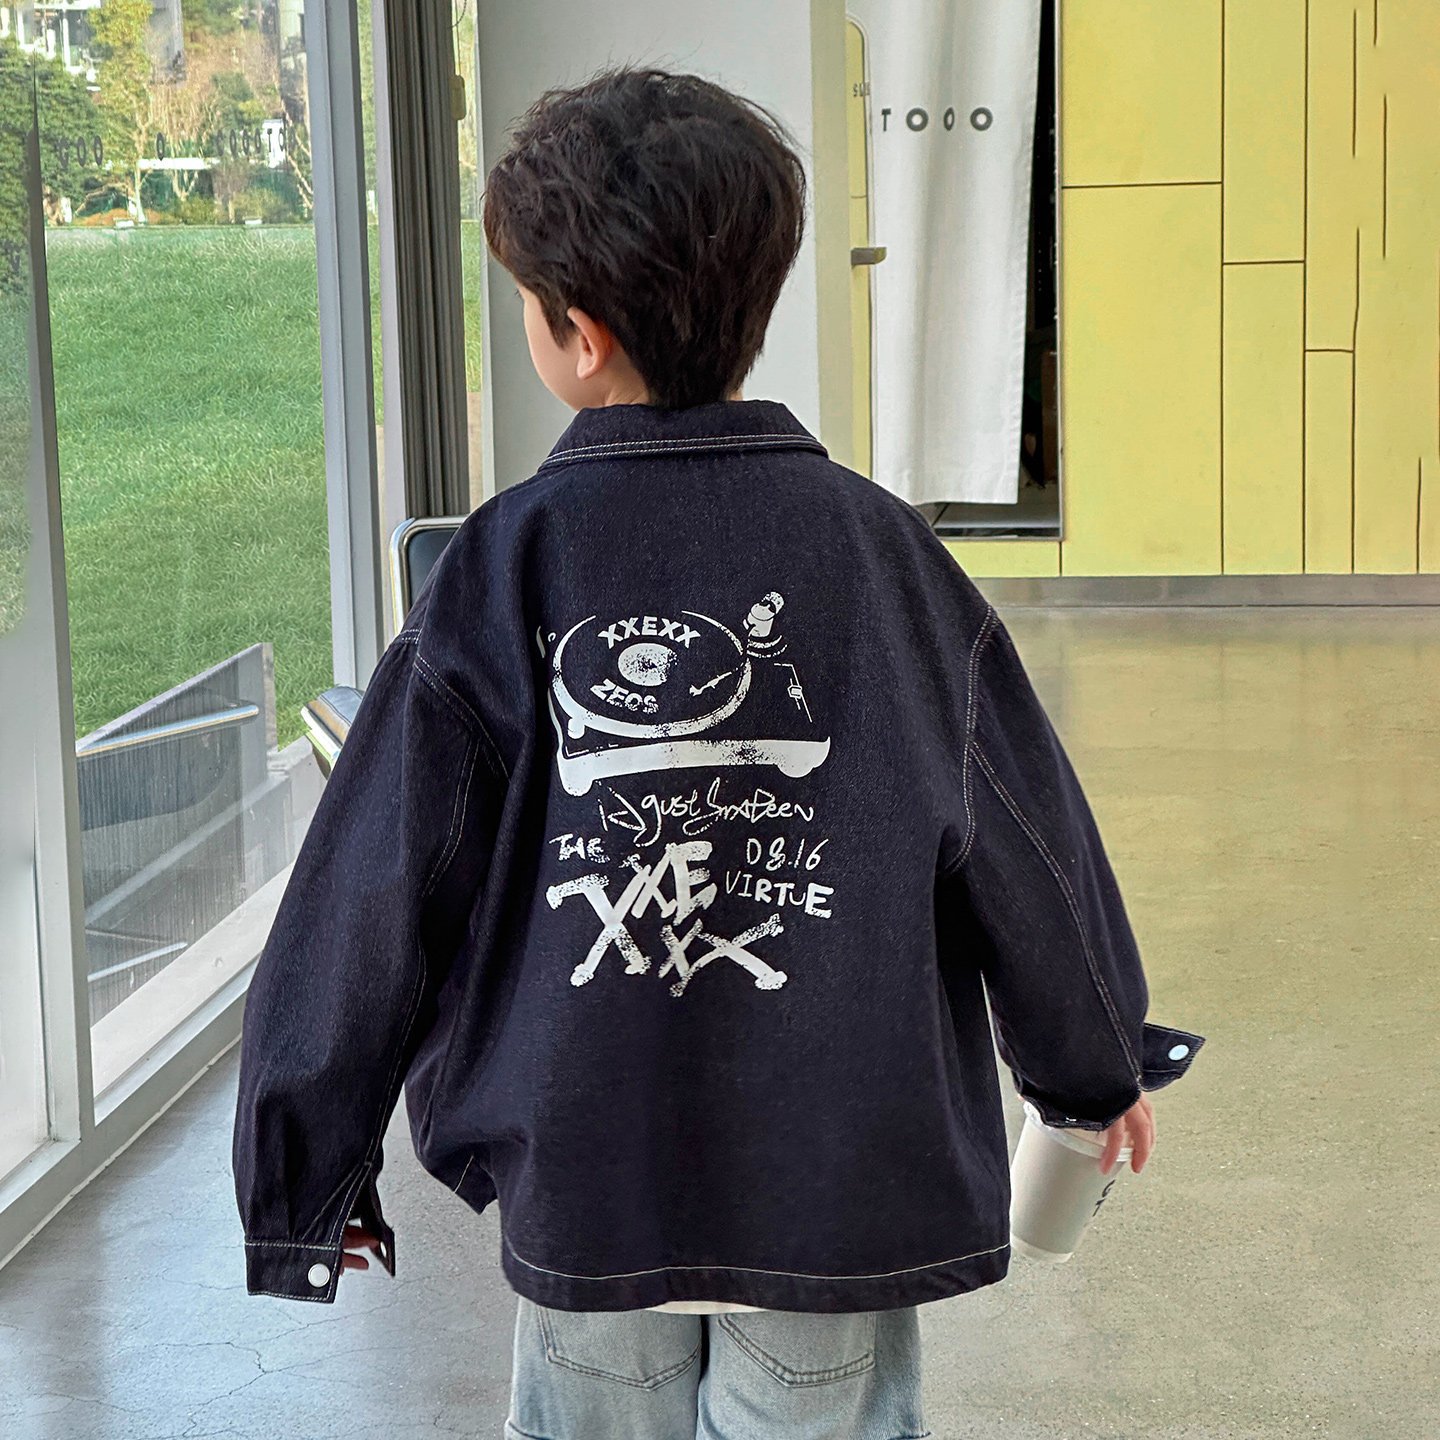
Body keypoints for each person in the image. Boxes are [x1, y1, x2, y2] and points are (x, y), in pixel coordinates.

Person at [233, 66, 1203, 1440]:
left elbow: (369, 891)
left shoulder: (501, 567)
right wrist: (1093, 1069)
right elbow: (1025, 838)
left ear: (576, 334)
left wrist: (305, 1171)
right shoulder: (886, 557)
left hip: (587, 1179)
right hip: (831, 1181)